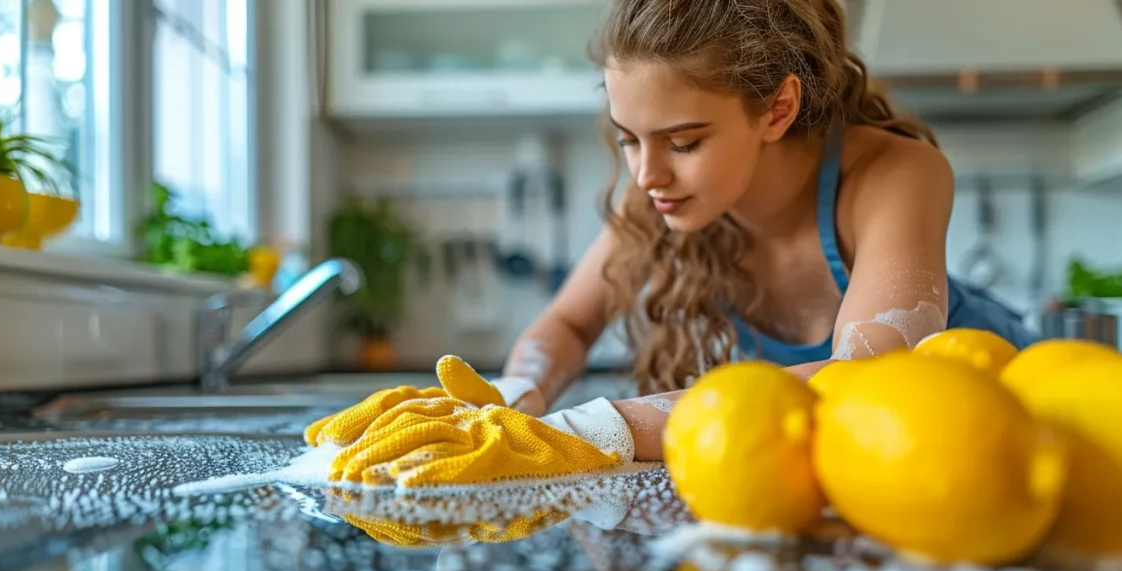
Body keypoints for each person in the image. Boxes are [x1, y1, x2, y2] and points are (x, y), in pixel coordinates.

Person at [309, 0, 1037, 483]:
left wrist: (596, 428)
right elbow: (568, 321)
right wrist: (510, 400)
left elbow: (868, 384)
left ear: (778, 108)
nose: (648, 174)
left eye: (683, 141)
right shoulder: (666, 193)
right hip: (870, 474)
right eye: (628, 140)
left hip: (1008, 448)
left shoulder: (893, 173)